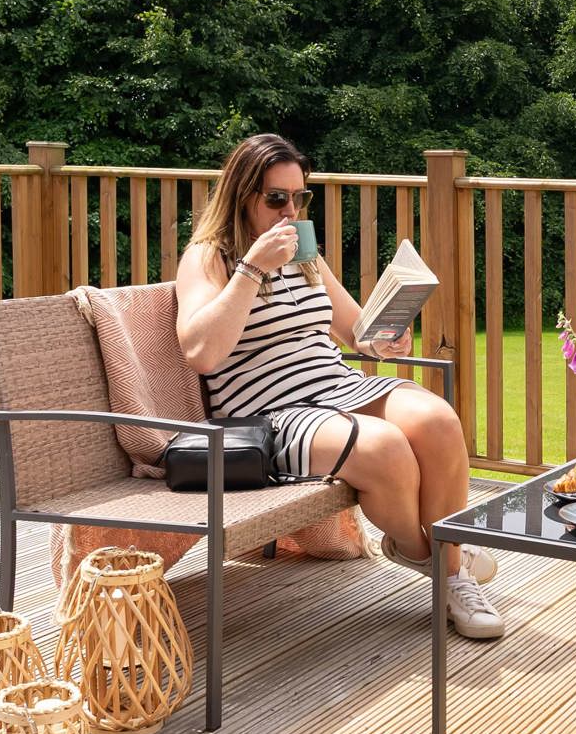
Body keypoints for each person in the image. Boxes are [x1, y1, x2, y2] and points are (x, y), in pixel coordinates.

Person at [175, 133, 505, 639]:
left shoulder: (305, 252)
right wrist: (251, 270)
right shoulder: (208, 258)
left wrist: (384, 338)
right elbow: (202, 352)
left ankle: (445, 557)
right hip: (270, 413)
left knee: (438, 419)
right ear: (241, 195)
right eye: (276, 198)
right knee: (386, 448)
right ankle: (447, 571)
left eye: (299, 197)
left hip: (336, 386)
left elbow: (354, 329)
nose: (290, 210)